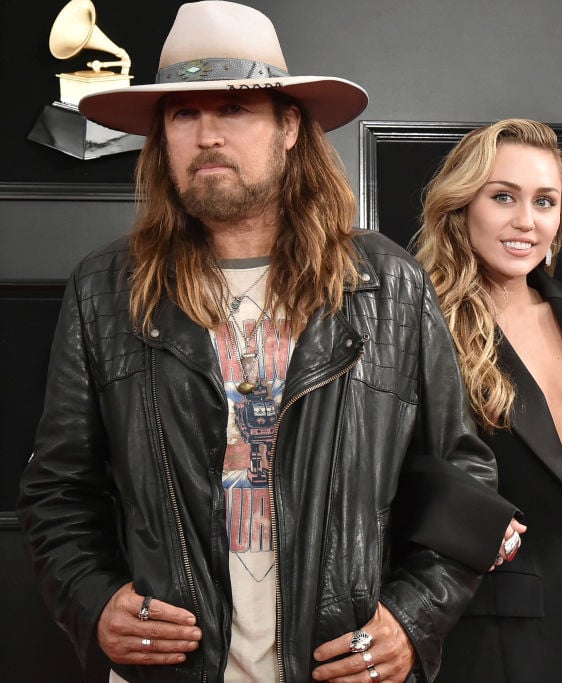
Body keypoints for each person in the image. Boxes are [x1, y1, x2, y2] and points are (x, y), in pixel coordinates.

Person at [16, 3, 516, 682]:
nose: (208, 134)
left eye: (234, 108)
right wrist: (94, 601)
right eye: (183, 114)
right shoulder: (106, 292)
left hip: (336, 667)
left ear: (288, 127)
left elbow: (462, 480)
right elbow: (57, 491)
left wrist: (412, 618)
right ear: (162, 137)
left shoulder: (386, 285)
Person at [413, 119, 562, 682]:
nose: (526, 221)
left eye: (545, 201)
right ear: (461, 204)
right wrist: (466, 521)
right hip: (494, 635)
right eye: (503, 197)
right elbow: (380, 475)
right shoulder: (420, 325)